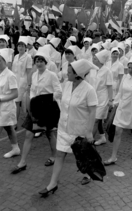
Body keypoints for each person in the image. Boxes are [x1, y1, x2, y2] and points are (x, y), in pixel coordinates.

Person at [39, 59, 98, 196]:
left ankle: (88, 174)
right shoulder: (66, 84)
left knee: (81, 157)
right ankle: (52, 184)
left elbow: (92, 112)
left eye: (69, 72)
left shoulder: (89, 90)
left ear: (78, 74)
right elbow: (56, 95)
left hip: (79, 130)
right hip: (64, 127)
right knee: (60, 154)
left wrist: (89, 132)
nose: (66, 73)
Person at [11, 51, 62, 174]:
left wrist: (46, 99)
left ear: (46, 62)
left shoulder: (51, 75)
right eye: (37, 61)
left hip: (48, 108)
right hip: (36, 108)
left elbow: (59, 92)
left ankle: (54, 156)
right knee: (29, 134)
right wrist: (34, 101)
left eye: (41, 61)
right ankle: (22, 162)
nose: (39, 63)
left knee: (50, 133)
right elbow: (33, 91)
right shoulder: (34, 75)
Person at [104, 56, 132, 165]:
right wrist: (114, 103)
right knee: (118, 131)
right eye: (129, 67)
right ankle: (113, 156)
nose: (130, 70)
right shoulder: (125, 77)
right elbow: (120, 92)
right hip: (122, 108)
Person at [92, 50, 113, 146]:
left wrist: (110, 100)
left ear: (100, 60)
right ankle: (102, 137)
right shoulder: (93, 69)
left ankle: (89, 141)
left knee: (96, 119)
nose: (93, 59)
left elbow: (109, 86)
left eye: (95, 58)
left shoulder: (107, 71)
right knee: (98, 119)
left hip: (103, 97)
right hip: (94, 97)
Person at [12, 36, 32, 124]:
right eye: (19, 46)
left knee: (17, 102)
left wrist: (29, 84)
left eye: (22, 46)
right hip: (14, 81)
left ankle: (15, 122)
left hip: (22, 82)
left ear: (26, 47)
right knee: (14, 102)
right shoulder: (16, 56)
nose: (20, 47)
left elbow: (29, 72)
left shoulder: (28, 57)